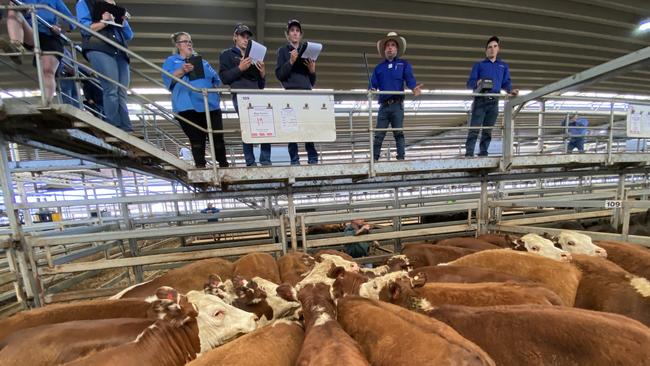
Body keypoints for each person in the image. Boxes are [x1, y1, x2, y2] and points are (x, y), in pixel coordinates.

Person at [162, 31, 228, 168]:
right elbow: (168, 80)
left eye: (190, 41)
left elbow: (216, 80)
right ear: (178, 45)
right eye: (185, 42)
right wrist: (182, 70)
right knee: (197, 139)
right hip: (187, 107)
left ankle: (223, 164)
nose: (189, 44)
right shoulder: (171, 61)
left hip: (210, 106)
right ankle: (200, 166)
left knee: (217, 139)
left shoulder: (203, 62)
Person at [76, 0, 134, 132]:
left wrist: (122, 20)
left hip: (120, 51)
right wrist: (104, 22)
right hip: (99, 47)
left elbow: (129, 35)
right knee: (111, 89)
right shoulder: (84, 3)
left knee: (121, 91)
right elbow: (85, 28)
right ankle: (114, 126)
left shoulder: (113, 6)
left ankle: (126, 127)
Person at [1, 0, 75, 104]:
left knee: (48, 71)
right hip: (31, 32)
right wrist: (16, 6)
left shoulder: (55, 1)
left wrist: (60, 27)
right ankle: (16, 45)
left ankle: (46, 102)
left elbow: (70, 20)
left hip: (50, 35)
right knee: (13, 10)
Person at [219, 23, 271, 167]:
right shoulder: (226, 55)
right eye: (242, 36)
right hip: (241, 96)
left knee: (266, 124)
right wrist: (240, 68)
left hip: (257, 95)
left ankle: (265, 160)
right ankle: (250, 161)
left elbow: (261, 85)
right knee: (247, 126)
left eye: (247, 37)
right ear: (235, 37)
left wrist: (262, 74)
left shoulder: (254, 57)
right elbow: (224, 78)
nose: (245, 39)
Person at [370, 32, 422, 161]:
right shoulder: (378, 68)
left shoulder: (404, 64)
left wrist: (414, 87)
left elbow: (409, 78)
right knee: (378, 134)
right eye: (387, 45)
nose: (390, 47)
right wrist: (371, 89)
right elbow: (372, 84)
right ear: (384, 49)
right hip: (383, 106)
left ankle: (401, 158)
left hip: (397, 105)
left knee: (398, 133)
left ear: (397, 49)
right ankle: (374, 159)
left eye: (393, 45)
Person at [465, 36, 519, 157]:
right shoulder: (479, 65)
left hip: (494, 101)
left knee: (488, 129)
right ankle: (469, 154)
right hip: (480, 100)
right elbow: (469, 83)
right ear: (486, 50)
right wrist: (477, 82)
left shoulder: (503, 66)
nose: (492, 49)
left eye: (495, 46)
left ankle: (483, 153)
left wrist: (511, 90)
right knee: (474, 128)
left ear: (498, 49)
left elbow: (506, 82)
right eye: (489, 47)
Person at [275, 19, 318, 165]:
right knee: (291, 127)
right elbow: (280, 74)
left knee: (308, 126)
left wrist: (312, 71)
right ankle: (295, 159)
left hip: (306, 93)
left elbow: (311, 81)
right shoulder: (282, 51)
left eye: (297, 31)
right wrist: (291, 62)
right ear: (287, 34)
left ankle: (312, 158)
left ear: (300, 34)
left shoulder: (307, 52)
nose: (295, 33)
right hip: (291, 94)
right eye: (292, 30)